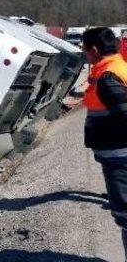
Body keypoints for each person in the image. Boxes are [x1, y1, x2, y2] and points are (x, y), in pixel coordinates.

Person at [81, 27, 127, 257]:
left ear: (95, 50)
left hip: (120, 157)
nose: (84, 54)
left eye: (85, 50)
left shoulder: (107, 77)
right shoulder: (119, 67)